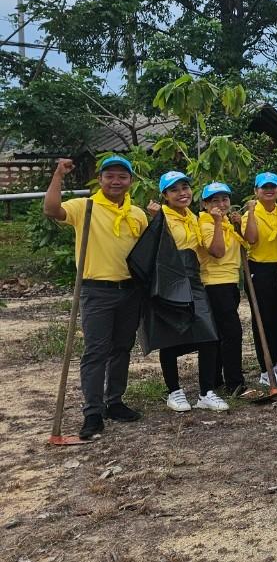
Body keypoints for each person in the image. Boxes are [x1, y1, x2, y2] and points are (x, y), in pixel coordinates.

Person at [43, 155, 148, 439]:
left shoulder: (137, 214)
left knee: (122, 348)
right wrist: (59, 175)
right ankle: (92, 410)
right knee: (95, 351)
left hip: (129, 290)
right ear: (100, 179)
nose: (116, 181)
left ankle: (114, 402)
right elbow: (51, 209)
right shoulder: (84, 206)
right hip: (96, 290)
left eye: (122, 177)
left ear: (130, 182)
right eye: (110, 176)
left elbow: (145, 255)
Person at [150, 171, 228, 413]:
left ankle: (206, 392)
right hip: (169, 279)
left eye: (185, 187)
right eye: (174, 190)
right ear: (164, 195)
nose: (182, 193)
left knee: (208, 335)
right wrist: (156, 222)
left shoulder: (193, 217)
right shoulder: (159, 215)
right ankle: (174, 391)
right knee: (170, 337)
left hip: (193, 279)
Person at [241, 172, 277, 388]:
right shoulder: (250, 214)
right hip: (259, 269)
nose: (269, 190)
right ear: (256, 191)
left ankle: (275, 361)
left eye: (273, 187)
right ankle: (265, 369)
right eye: (264, 187)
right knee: (263, 320)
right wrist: (252, 212)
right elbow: (251, 238)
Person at [196, 182, 246, 396]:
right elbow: (217, 251)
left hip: (229, 282)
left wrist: (236, 225)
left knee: (218, 333)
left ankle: (215, 378)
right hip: (215, 283)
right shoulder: (207, 224)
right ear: (205, 204)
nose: (221, 204)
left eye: (224, 199)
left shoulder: (226, 222)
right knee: (232, 333)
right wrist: (218, 222)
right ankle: (234, 382)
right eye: (214, 200)